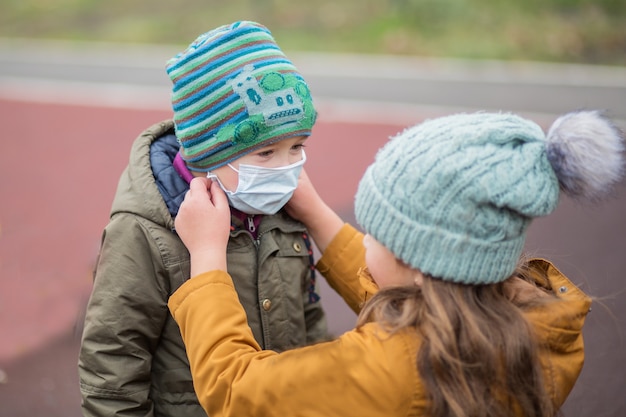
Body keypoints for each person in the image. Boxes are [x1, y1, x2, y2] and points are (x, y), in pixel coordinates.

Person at [169, 110, 624, 417]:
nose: (365, 246)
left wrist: (208, 258)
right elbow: (425, 309)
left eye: (378, 235)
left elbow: (235, 389)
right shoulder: (535, 325)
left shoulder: (386, 371)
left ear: (421, 263)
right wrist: (318, 216)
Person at [78, 21, 328, 417]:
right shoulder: (145, 229)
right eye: (266, 154)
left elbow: (309, 319)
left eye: (297, 146)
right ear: (206, 156)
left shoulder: (282, 208)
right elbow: (113, 360)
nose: (287, 169)